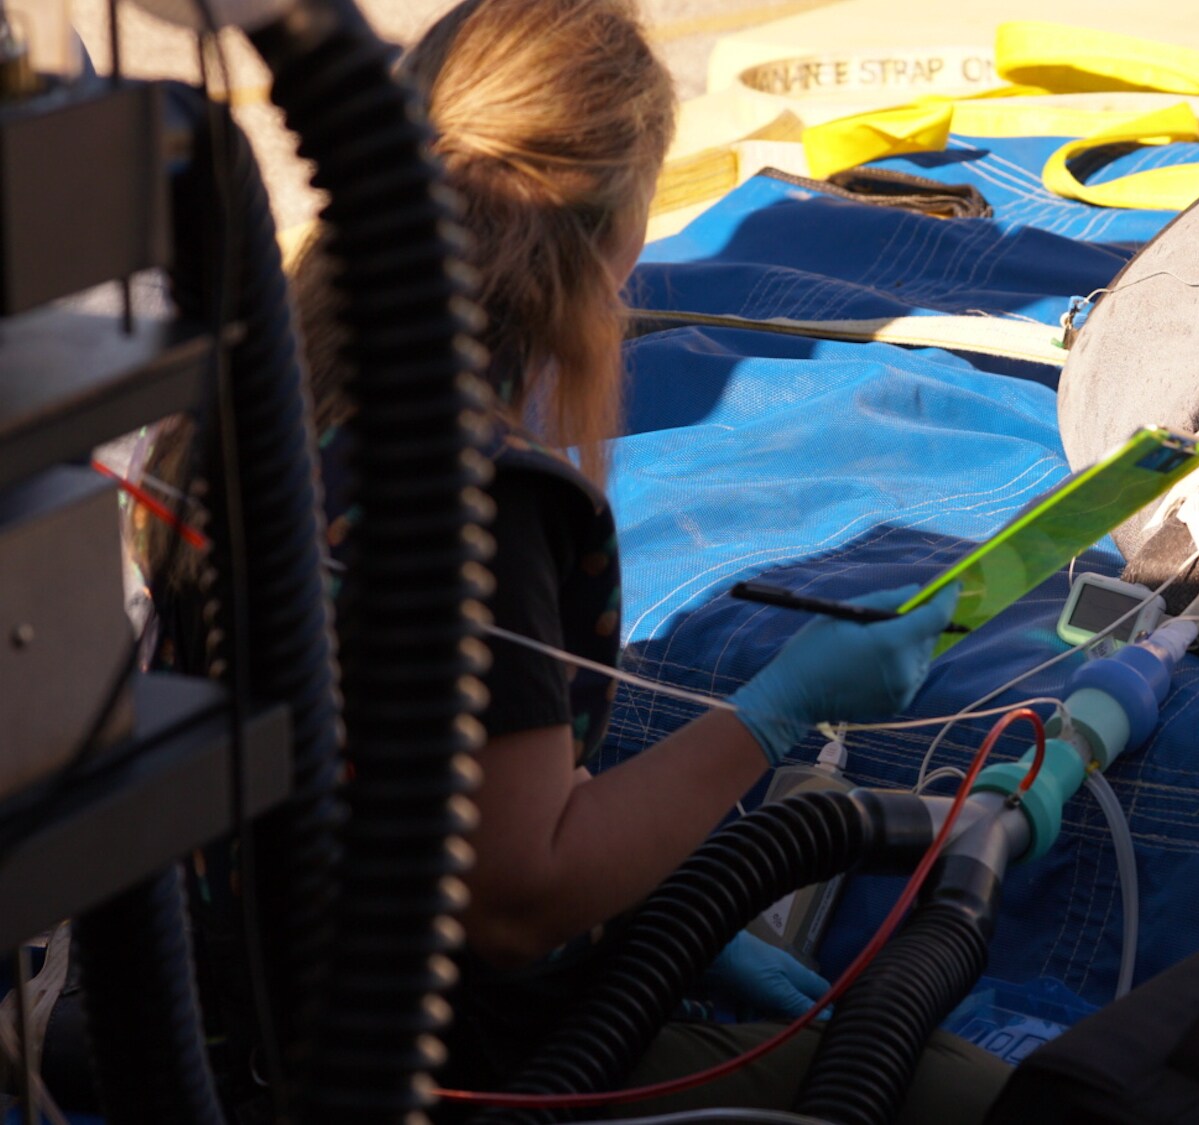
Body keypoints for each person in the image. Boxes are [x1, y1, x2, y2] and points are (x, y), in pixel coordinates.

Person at [148, 0, 1010, 1118]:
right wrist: (778, 709)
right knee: (967, 1090)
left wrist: (662, 930)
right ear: (614, 225)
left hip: (217, 1029)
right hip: (418, 1074)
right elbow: (521, 897)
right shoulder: (467, 496)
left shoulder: (237, 397)